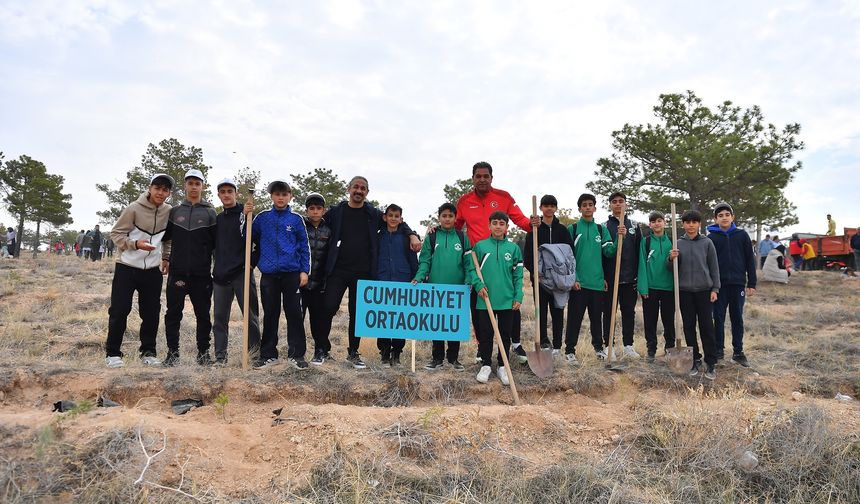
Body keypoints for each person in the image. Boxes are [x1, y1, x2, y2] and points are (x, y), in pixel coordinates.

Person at [322, 176, 421, 369]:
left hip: (364, 272)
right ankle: (322, 349)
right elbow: (316, 219)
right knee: (328, 307)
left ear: (367, 192)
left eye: (363, 188)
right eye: (356, 187)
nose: (359, 191)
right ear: (348, 189)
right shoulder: (337, 211)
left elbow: (398, 221)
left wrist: (412, 234)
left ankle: (353, 352)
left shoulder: (373, 214)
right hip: (338, 270)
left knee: (357, 314)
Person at [454, 161, 535, 364]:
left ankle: (513, 344)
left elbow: (520, 220)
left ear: (492, 177)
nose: (482, 179)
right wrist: (435, 231)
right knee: (479, 305)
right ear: (473, 178)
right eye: (478, 176)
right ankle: (483, 349)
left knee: (509, 304)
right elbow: (454, 226)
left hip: (502, 257)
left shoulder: (504, 197)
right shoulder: (464, 201)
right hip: (477, 262)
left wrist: (533, 223)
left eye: (486, 176)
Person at [103, 173, 174, 368]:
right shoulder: (133, 208)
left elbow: (167, 238)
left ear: (169, 193)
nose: (160, 192)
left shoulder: (169, 211)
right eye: (157, 188)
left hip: (152, 270)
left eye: (165, 189)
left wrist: (166, 257)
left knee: (151, 312)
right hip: (127, 267)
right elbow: (116, 234)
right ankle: (112, 353)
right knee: (119, 310)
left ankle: (148, 352)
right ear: (150, 188)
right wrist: (135, 244)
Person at [246, 179, 310, 370]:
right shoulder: (262, 218)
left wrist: (304, 271)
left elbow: (304, 248)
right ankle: (268, 354)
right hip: (269, 275)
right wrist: (246, 216)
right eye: (277, 194)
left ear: (290, 196)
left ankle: (297, 355)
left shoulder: (296, 220)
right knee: (271, 314)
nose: (280, 198)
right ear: (272, 196)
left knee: (294, 314)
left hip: (292, 274)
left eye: (284, 194)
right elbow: (247, 236)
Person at [161, 169, 217, 367]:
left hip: (201, 274)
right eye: (190, 183)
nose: (194, 187)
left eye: (197, 183)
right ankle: (172, 354)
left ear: (202, 186)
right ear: (185, 185)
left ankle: (203, 355)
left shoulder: (210, 212)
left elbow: (215, 244)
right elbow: (166, 238)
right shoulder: (175, 211)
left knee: (203, 315)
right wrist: (166, 258)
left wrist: (216, 269)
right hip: (177, 272)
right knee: (173, 313)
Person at [415, 203, 473, 372]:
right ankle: (437, 358)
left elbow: (468, 262)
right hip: (435, 289)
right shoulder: (432, 237)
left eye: (450, 216)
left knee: (454, 324)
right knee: (437, 324)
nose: (447, 219)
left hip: (457, 290)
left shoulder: (462, 238)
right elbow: (425, 261)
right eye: (444, 216)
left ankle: (453, 358)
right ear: (439, 218)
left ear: (455, 218)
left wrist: (469, 280)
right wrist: (419, 277)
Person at [211, 177, 262, 366]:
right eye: (222, 192)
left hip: (242, 273)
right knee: (219, 319)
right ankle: (220, 357)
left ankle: (254, 356)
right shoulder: (217, 219)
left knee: (250, 317)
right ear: (219, 195)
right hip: (221, 277)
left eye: (229, 191)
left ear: (236, 194)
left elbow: (259, 242)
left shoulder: (246, 214)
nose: (226, 195)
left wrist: (252, 264)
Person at [565, 193, 621, 364]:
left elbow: (609, 252)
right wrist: (574, 278)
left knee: (597, 319)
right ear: (580, 209)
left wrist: (620, 237)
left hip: (597, 283)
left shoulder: (600, 229)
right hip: (579, 284)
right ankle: (569, 351)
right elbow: (568, 258)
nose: (588, 207)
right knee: (575, 318)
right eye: (584, 205)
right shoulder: (573, 229)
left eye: (591, 204)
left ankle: (598, 349)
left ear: (595, 208)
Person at [470, 211, 523, 385]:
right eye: (495, 223)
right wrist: (478, 285)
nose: (498, 226)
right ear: (489, 225)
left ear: (507, 227)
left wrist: (518, 295)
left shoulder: (513, 248)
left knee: (505, 334)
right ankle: (486, 364)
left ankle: (502, 365)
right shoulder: (480, 246)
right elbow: (472, 270)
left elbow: (518, 275)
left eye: (502, 223)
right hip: (485, 300)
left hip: (507, 299)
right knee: (486, 334)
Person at [668, 210, 719, 380]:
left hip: (704, 290)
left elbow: (714, 267)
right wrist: (671, 258)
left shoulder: (707, 243)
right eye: (687, 222)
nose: (691, 225)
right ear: (683, 224)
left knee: (707, 326)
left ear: (699, 224)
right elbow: (671, 269)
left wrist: (715, 289)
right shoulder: (678, 243)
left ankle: (711, 361)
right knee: (689, 327)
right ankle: (694, 359)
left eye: (694, 222)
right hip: (684, 292)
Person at [523, 194, 574, 354]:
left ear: (555, 208)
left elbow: (570, 254)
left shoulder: (563, 230)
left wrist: (568, 276)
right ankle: (544, 343)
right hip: (540, 280)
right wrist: (535, 272)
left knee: (558, 311)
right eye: (546, 205)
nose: (549, 208)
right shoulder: (534, 231)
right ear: (541, 208)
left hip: (558, 280)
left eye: (552, 205)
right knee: (541, 313)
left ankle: (557, 346)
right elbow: (528, 256)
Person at [707, 202, 756, 367]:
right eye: (720, 215)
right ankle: (718, 350)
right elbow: (707, 264)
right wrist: (711, 286)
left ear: (732, 217)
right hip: (718, 286)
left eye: (727, 214)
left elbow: (750, 259)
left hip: (737, 284)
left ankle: (738, 352)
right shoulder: (711, 238)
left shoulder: (742, 235)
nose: (724, 217)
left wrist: (752, 283)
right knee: (718, 318)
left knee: (737, 318)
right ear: (715, 219)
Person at [375, 204, 419, 367]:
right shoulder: (378, 237)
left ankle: (397, 353)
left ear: (401, 219)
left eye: (396, 216)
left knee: (400, 318)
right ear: (385, 217)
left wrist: (416, 277)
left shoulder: (407, 238)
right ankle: (384, 353)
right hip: (382, 281)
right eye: (390, 215)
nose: (393, 218)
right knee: (384, 318)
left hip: (403, 281)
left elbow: (412, 259)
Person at [601, 192, 641, 359]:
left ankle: (628, 346)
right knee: (609, 312)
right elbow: (602, 254)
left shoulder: (635, 225)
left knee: (628, 312)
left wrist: (638, 276)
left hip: (629, 278)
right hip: (611, 279)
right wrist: (602, 276)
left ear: (626, 204)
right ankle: (609, 346)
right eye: (614, 202)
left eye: (621, 201)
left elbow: (639, 251)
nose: (618, 204)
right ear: (610, 205)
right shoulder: (603, 226)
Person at [637, 211, 676, 362]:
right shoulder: (645, 242)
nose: (657, 223)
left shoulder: (672, 242)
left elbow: (677, 267)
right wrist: (643, 288)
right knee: (650, 320)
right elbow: (641, 265)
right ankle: (651, 349)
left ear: (665, 222)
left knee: (668, 320)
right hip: (651, 288)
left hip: (669, 288)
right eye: (653, 221)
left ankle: (670, 348)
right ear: (650, 225)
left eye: (660, 220)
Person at [302, 192, 334, 366]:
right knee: (297, 319)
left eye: (318, 208)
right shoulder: (300, 227)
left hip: (320, 284)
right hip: (301, 283)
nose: (315, 212)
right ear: (307, 210)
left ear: (324, 210)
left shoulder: (329, 230)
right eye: (311, 208)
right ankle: (297, 352)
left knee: (319, 320)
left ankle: (320, 350)